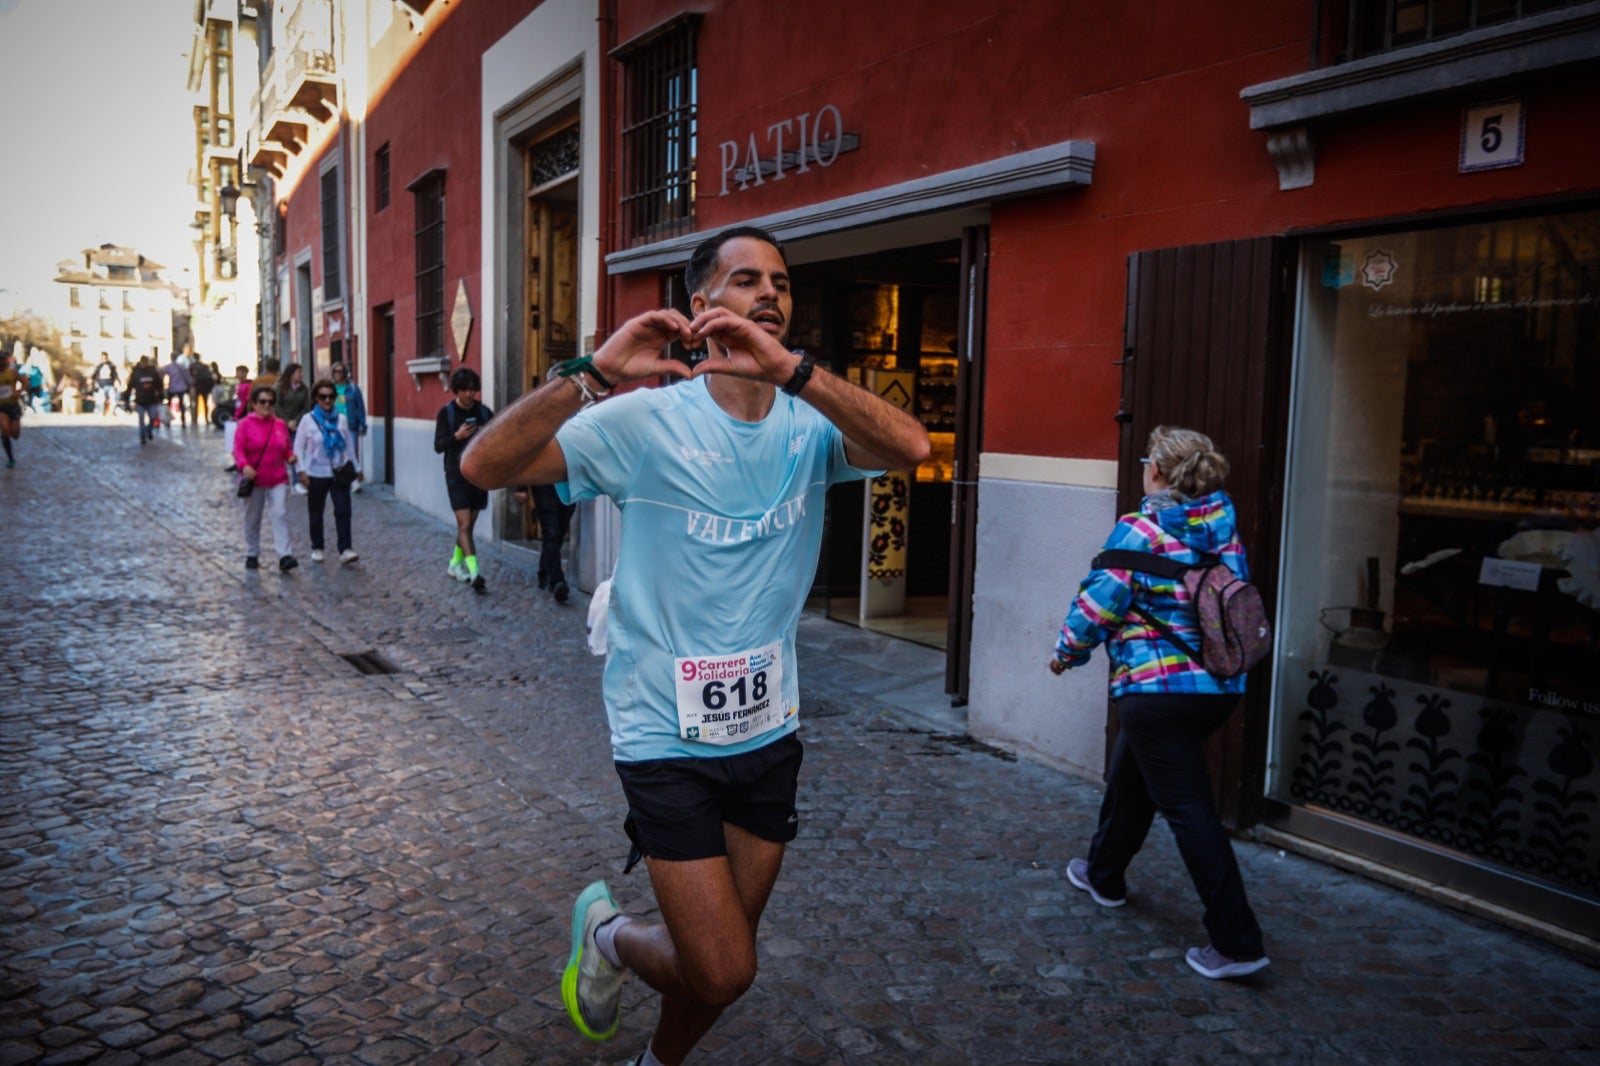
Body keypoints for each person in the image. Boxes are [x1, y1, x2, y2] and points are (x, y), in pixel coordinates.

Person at [459, 226, 930, 1066]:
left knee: (718, 968)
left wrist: (794, 373)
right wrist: (595, 373)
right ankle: (607, 934)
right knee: (723, 967)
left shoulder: (810, 423)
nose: (770, 293)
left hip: (769, 727)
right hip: (661, 733)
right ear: (703, 306)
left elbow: (913, 447)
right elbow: (483, 466)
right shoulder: (646, 421)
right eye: (746, 280)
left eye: (781, 281)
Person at [1049, 425, 1270, 982]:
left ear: (1157, 471)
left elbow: (1098, 605)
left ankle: (1238, 944)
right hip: (1217, 690)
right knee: (1134, 775)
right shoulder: (1223, 529)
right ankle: (1103, 874)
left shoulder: (1141, 529)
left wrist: (1066, 654)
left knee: (1190, 811)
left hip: (1156, 690)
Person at [434, 367, 492, 593]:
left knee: (467, 526)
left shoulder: (484, 412)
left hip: (478, 475)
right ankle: (475, 573)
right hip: (456, 475)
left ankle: (454, 564)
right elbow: (438, 446)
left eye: (473, 390)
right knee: (465, 525)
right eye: (465, 390)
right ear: (457, 390)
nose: (470, 394)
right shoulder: (446, 413)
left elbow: (495, 438)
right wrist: (457, 437)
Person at [293, 378, 361, 565]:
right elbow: (298, 447)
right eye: (323, 397)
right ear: (316, 398)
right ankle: (317, 546)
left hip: (339, 471)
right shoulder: (307, 420)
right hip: (316, 473)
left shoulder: (342, 419)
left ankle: (345, 549)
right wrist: (301, 471)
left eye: (331, 396)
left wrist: (357, 468)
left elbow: (348, 446)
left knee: (343, 510)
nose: (327, 400)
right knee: (316, 512)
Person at [233, 383, 298, 573]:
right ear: (254, 404)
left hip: (278, 478)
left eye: (270, 402)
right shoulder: (245, 425)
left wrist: (290, 456)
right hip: (255, 479)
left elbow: (285, 448)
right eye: (262, 401)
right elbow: (238, 450)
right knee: (253, 518)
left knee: (279, 514)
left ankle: (285, 555)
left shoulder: (279, 424)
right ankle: (252, 553)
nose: (267, 405)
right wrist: (244, 466)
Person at [532, 483, 575, 602]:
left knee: (559, 532)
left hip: (568, 486)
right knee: (551, 532)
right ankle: (556, 580)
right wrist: (521, 487)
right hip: (543, 484)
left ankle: (544, 573)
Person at [329, 361, 367, 492]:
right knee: (335, 451)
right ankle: (337, 477)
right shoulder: (330, 388)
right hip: (333, 425)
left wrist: (362, 423)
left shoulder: (353, 388)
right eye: (336, 371)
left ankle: (354, 481)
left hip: (350, 425)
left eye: (341, 371)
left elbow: (360, 406)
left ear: (345, 373)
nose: (338, 374)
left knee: (351, 452)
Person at [276, 363, 311, 493]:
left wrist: (296, 421)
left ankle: (297, 481)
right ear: (291, 374)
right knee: (280, 453)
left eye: (301, 372)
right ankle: (280, 480)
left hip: (297, 426)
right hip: (281, 425)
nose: (301, 375)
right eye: (299, 372)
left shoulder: (304, 389)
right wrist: (287, 421)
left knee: (296, 453)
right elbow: (276, 406)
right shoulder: (280, 387)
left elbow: (306, 407)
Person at [124, 356, 165, 445]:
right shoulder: (136, 373)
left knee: (153, 418)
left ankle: (148, 430)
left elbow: (159, 385)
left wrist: (161, 396)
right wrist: (126, 399)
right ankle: (142, 436)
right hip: (140, 400)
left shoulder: (153, 372)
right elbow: (130, 386)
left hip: (151, 400)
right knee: (141, 419)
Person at [224, 364, 252, 470]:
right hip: (237, 414)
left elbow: (246, 402)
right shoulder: (240, 385)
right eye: (237, 372)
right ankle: (238, 461)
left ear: (245, 373)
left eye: (240, 372)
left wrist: (242, 415)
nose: (238, 375)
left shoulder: (248, 385)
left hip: (242, 415)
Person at [0, 352, 23, 467]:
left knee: (15, 435)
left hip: (13, 406)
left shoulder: (12, 372)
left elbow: (25, 382)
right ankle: (10, 459)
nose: (2, 362)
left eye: (4, 360)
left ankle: (5, 435)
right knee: (6, 431)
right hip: (1, 407)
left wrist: (19, 392)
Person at [162, 352, 192, 428]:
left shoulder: (168, 367)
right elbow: (187, 376)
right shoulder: (181, 366)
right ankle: (183, 421)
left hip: (172, 388)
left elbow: (162, 373)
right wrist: (189, 384)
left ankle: (168, 420)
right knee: (181, 404)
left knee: (169, 404)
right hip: (181, 387)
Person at [191, 357, 215, 427]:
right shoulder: (205, 367)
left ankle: (195, 420)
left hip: (198, 387)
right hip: (205, 388)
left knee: (196, 404)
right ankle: (206, 419)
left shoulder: (193, 366)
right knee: (205, 404)